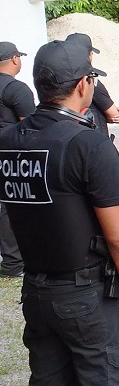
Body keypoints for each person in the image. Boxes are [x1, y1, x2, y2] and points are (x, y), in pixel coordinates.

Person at [0, 39, 119, 384]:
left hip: (36, 290)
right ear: (82, 84)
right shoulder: (87, 143)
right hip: (86, 293)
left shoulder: (10, 140)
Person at [0, 41, 34, 278]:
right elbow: (30, 127)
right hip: (11, 155)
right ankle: (15, 262)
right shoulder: (17, 88)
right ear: (14, 59)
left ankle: (11, 261)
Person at [65, 33, 119, 138]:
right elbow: (114, 116)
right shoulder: (90, 81)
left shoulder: (59, 77)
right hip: (93, 140)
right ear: (89, 55)